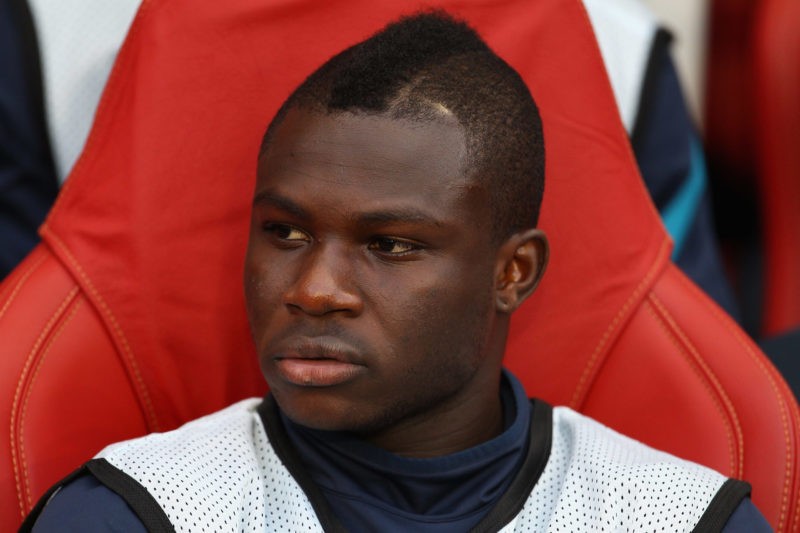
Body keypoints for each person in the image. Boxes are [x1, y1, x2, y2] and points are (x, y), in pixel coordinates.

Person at [23, 11, 771, 532]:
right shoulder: (134, 513)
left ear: (513, 271)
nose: (314, 289)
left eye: (390, 245)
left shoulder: (684, 519)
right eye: (283, 232)